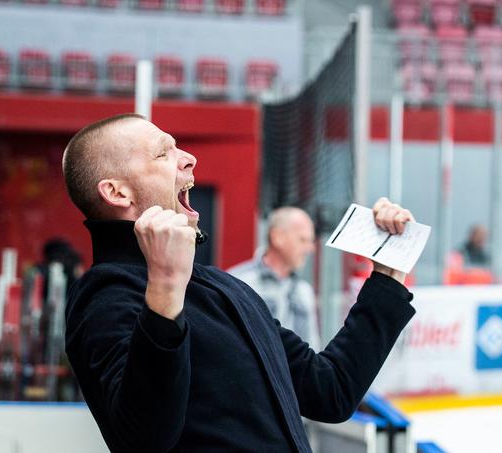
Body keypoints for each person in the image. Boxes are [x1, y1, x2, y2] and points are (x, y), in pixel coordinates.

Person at [61, 113, 416, 452]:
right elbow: (144, 439)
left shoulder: (224, 287)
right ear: (117, 193)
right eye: (162, 153)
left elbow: (330, 390)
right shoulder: (103, 297)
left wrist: (386, 277)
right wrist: (166, 287)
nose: (189, 159)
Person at [228, 207, 321, 350]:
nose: (310, 249)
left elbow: (312, 348)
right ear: (278, 237)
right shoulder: (238, 282)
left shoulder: (304, 291)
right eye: (303, 240)